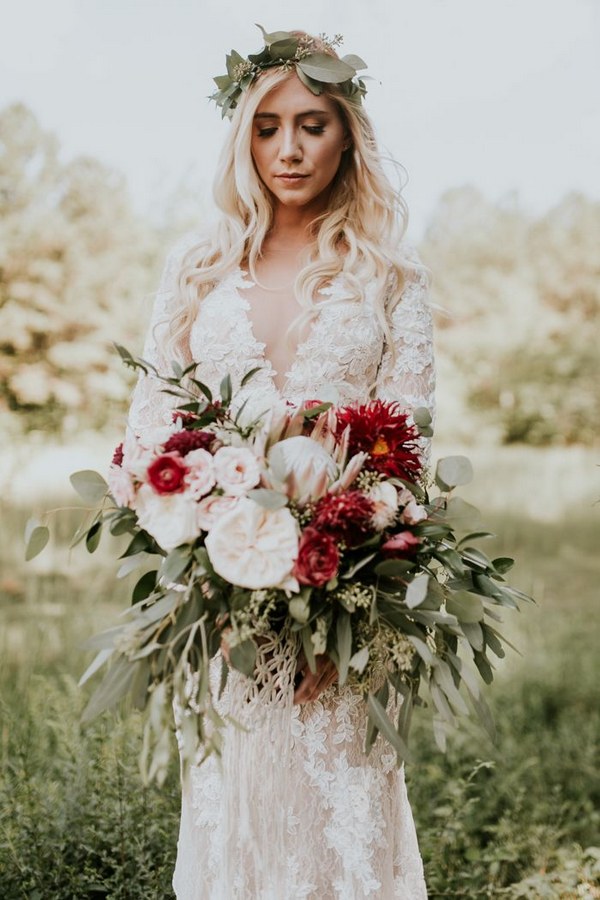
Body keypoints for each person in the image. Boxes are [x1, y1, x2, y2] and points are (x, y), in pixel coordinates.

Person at [127, 26, 434, 900]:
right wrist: (215, 581)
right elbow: (153, 433)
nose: (289, 148)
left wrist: (346, 583)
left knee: (340, 816)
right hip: (221, 603)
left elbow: (405, 444)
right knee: (244, 815)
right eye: (267, 126)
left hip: (348, 605)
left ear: (347, 134)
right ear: (241, 136)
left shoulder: (390, 275)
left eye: (311, 123)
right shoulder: (195, 267)